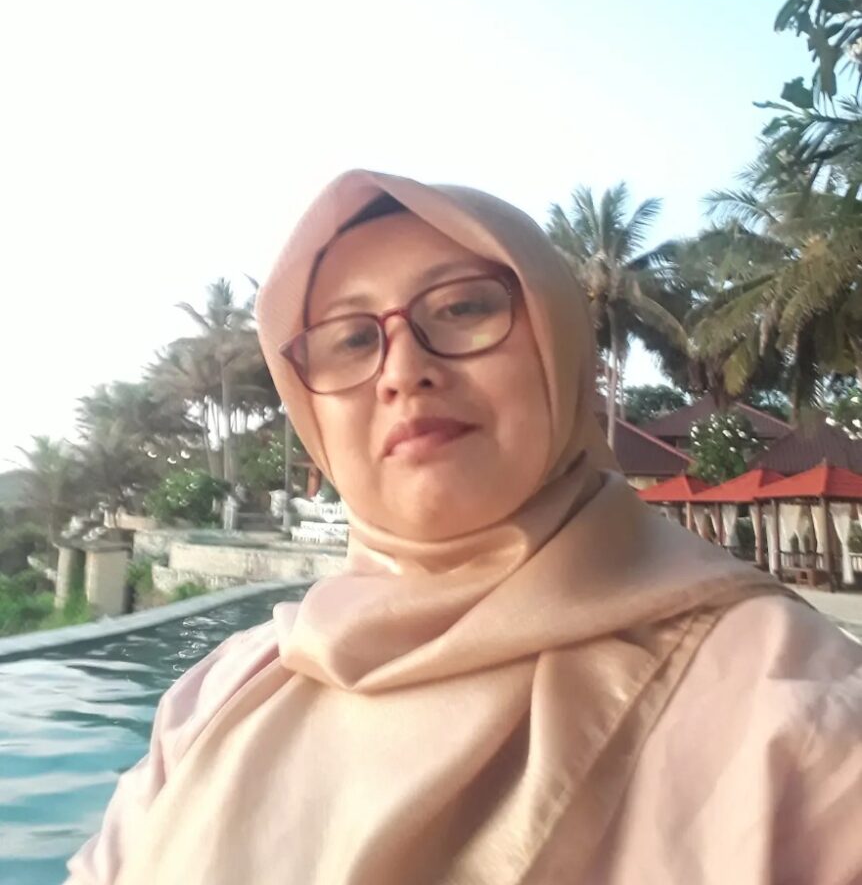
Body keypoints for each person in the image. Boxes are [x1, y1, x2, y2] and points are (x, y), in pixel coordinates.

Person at [66, 170, 862, 885]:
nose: (403, 369)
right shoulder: (213, 703)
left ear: (558, 342)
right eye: (351, 339)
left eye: (461, 308)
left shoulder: (797, 712)